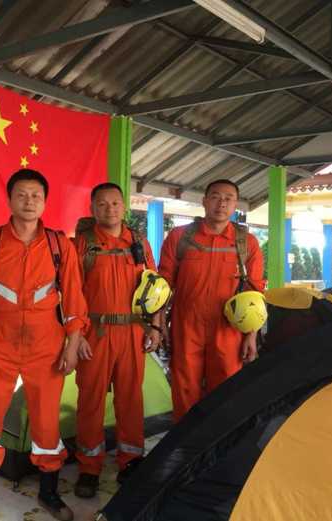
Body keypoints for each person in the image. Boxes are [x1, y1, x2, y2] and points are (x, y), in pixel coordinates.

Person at [0, 169, 88, 521]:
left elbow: (74, 300)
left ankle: (49, 493)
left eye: (36, 195)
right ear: (9, 200)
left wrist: (73, 343)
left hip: (47, 344)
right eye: (22, 194)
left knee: (47, 424)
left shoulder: (60, 246)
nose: (29, 201)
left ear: (45, 202)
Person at [72, 183, 164, 498]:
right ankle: (89, 468)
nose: (109, 209)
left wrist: (156, 327)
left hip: (133, 333)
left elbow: (156, 288)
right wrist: (76, 336)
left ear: (124, 207)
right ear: (92, 208)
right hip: (93, 334)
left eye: (115, 203)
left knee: (130, 399)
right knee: (90, 401)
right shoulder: (82, 244)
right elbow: (70, 293)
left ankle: (131, 461)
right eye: (102, 204)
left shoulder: (139, 242)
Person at [158, 179, 265, 422]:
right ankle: (185, 442)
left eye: (228, 198)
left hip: (228, 329)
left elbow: (255, 292)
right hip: (186, 326)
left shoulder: (247, 243)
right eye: (215, 197)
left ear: (235, 205)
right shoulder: (179, 237)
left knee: (227, 390)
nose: (221, 203)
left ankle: (219, 441)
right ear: (204, 201)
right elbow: (162, 285)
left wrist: (251, 335)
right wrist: (159, 323)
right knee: (184, 389)